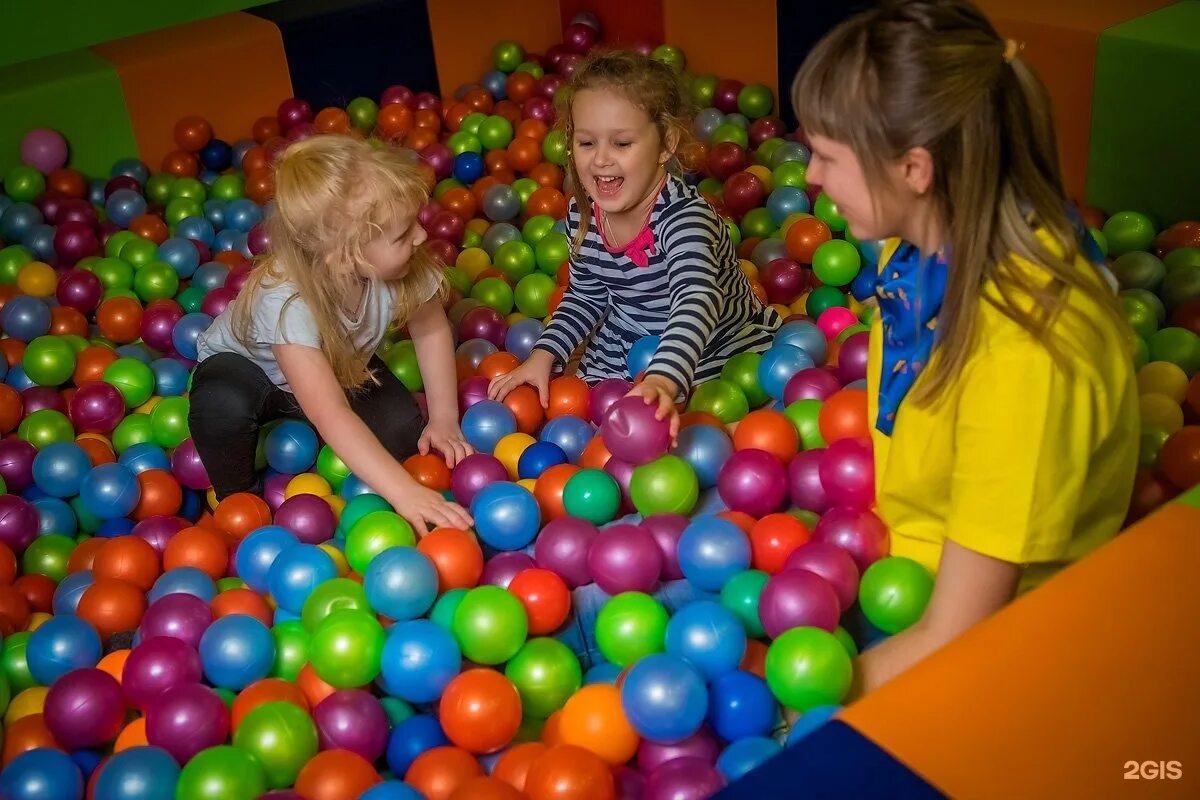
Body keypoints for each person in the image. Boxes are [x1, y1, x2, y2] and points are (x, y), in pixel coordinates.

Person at [791, 0, 1138, 695]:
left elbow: (961, 631)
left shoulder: (1025, 356)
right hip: (888, 540)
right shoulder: (926, 233)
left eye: (828, 156)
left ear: (915, 168)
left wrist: (799, 722)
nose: (810, 180)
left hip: (981, 624)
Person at [189, 134, 474, 535]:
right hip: (250, 373)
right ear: (346, 255)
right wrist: (404, 492)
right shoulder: (287, 300)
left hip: (339, 365)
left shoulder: (402, 264)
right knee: (220, 407)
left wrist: (444, 419)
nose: (422, 236)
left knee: (404, 436)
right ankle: (241, 504)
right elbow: (331, 413)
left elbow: (429, 329)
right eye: (402, 233)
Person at [488, 50, 781, 435]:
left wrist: (663, 377)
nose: (601, 160)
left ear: (665, 144)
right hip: (626, 345)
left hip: (712, 348)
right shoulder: (584, 214)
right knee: (594, 422)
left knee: (707, 426)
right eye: (586, 143)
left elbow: (697, 300)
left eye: (622, 144)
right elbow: (584, 297)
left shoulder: (684, 218)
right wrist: (545, 354)